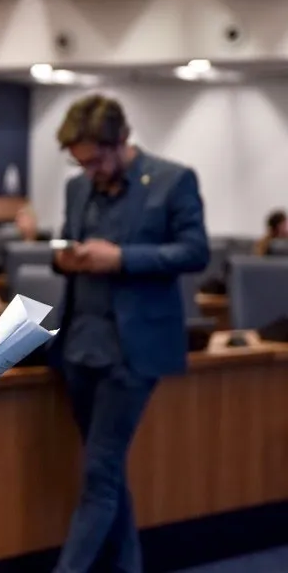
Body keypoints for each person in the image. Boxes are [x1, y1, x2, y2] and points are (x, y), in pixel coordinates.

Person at [49, 94, 209, 573]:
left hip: (133, 349)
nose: (91, 170)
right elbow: (64, 240)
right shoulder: (79, 188)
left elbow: (195, 252)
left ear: (121, 141)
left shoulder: (172, 181)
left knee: (99, 473)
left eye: (97, 159)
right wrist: (64, 256)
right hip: (78, 346)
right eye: (81, 162)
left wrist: (121, 258)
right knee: (109, 471)